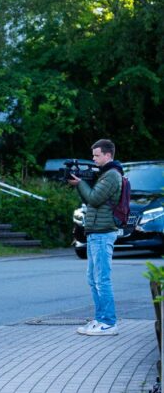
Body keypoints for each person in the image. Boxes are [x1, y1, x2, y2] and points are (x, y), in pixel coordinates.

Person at [69, 138, 123, 335]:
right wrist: (80, 185)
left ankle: (109, 322)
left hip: (103, 233)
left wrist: (81, 183)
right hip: (95, 233)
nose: (93, 159)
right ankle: (100, 319)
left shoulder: (111, 176)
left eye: (96, 155)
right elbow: (91, 201)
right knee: (93, 279)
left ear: (108, 155)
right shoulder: (104, 175)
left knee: (102, 279)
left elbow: (94, 198)